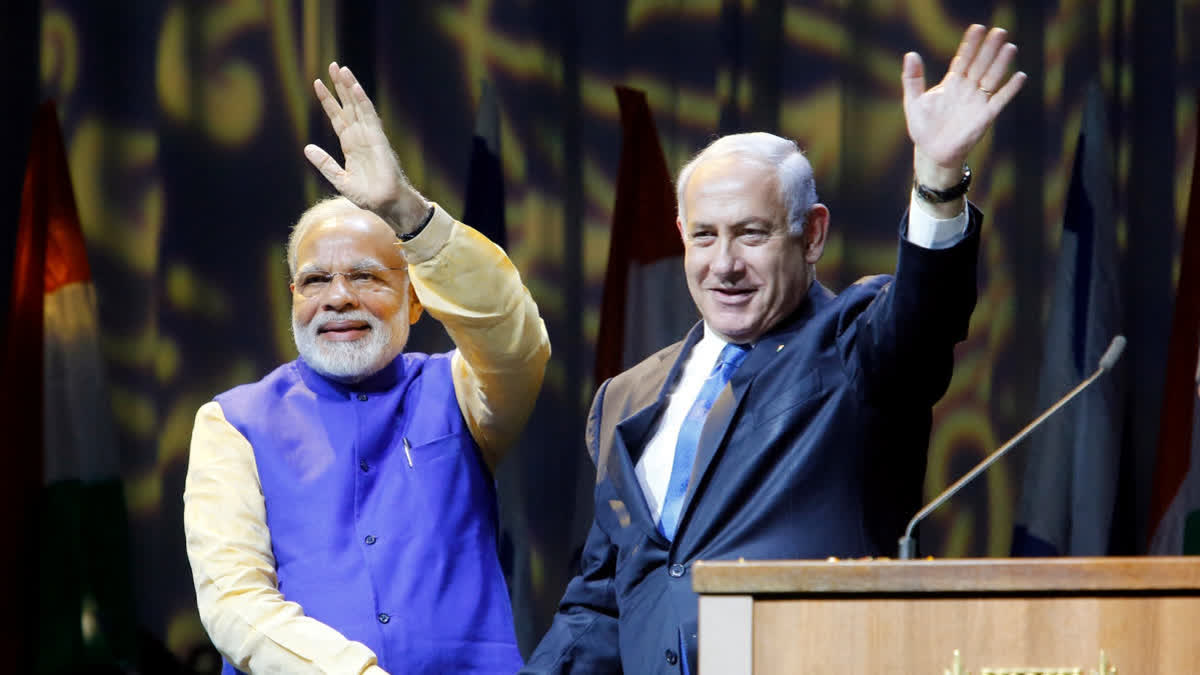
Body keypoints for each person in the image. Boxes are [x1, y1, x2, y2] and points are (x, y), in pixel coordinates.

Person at [521, 24, 1026, 674]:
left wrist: (937, 178)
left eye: (751, 234)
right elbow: (600, 604)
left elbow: (923, 319)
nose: (724, 263)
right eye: (704, 236)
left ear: (811, 234)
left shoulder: (854, 347)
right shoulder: (628, 394)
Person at [183, 62, 550, 674]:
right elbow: (234, 600)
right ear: (292, 299)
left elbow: (516, 341)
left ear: (414, 298)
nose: (338, 297)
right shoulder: (232, 421)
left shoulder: (459, 389)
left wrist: (408, 215)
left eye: (365, 276)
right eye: (316, 280)